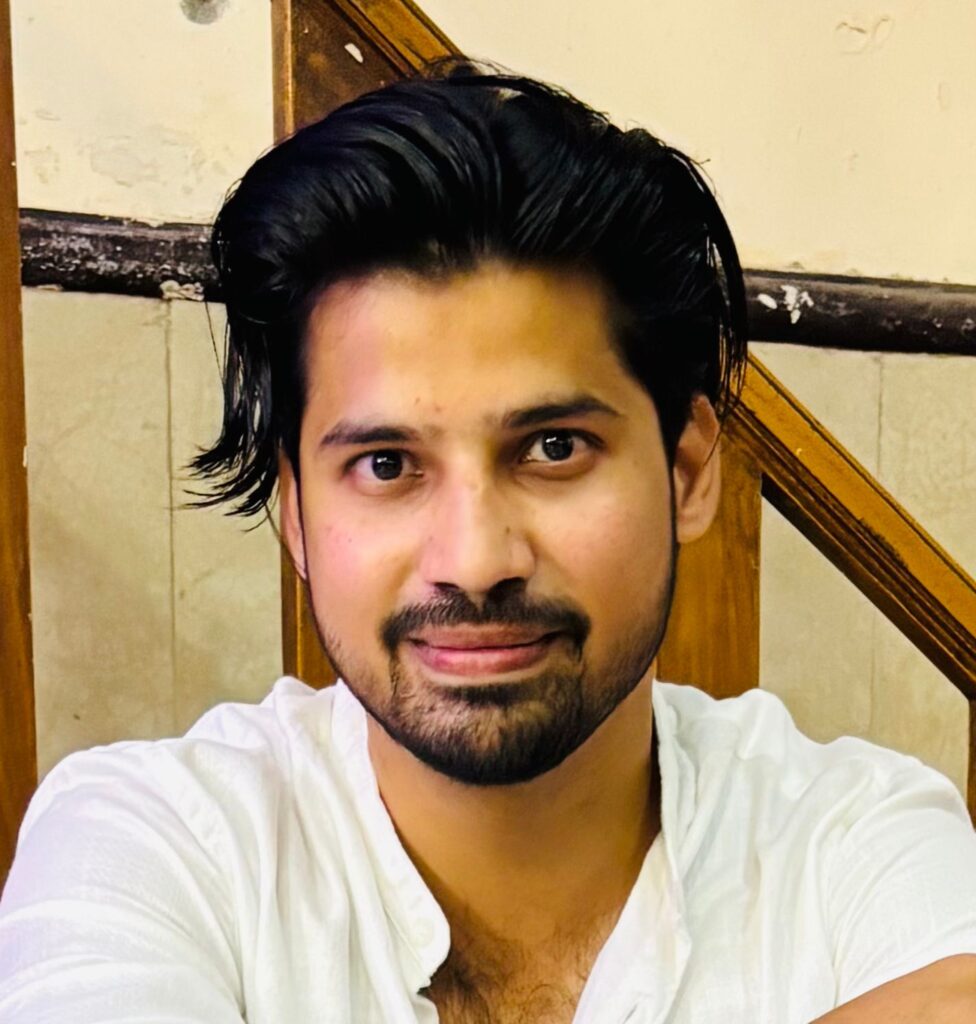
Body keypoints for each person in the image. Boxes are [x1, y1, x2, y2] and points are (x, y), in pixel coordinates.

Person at [2, 61, 976, 1024]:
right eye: (386, 464)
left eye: (553, 448)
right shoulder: (149, 842)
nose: (473, 561)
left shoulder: (856, 834)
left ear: (686, 471)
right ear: (293, 513)